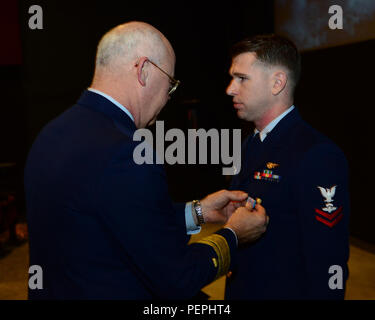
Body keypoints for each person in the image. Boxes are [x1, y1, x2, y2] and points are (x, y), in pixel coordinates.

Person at [24, 21, 268, 299]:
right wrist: (234, 235)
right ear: (144, 70)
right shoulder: (126, 152)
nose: (168, 97)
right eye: (170, 84)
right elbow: (177, 278)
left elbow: (118, 222)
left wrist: (197, 212)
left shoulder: (51, 133)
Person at [225, 34, 350, 300]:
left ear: (277, 83)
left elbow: (328, 262)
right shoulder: (251, 143)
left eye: (242, 78)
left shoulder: (316, 153)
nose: (230, 89)